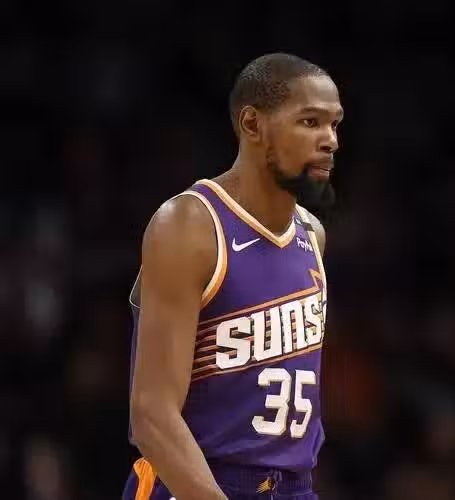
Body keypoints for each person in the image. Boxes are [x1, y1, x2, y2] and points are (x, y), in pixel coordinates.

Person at [121, 53, 343, 500]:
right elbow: (151, 415)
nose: (330, 141)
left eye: (334, 124)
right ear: (252, 124)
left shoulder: (312, 235)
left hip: (292, 488)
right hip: (194, 483)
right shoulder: (191, 225)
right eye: (310, 122)